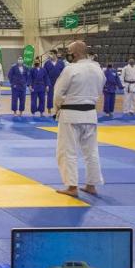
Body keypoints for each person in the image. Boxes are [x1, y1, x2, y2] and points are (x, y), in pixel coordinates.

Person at [54, 40, 104, 198]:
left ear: (74, 53)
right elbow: (100, 89)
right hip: (90, 113)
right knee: (91, 151)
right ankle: (91, 184)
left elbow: (58, 93)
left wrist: (57, 108)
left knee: (67, 151)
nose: (67, 54)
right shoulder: (97, 69)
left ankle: (72, 186)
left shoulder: (71, 69)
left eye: (68, 51)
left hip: (70, 114)